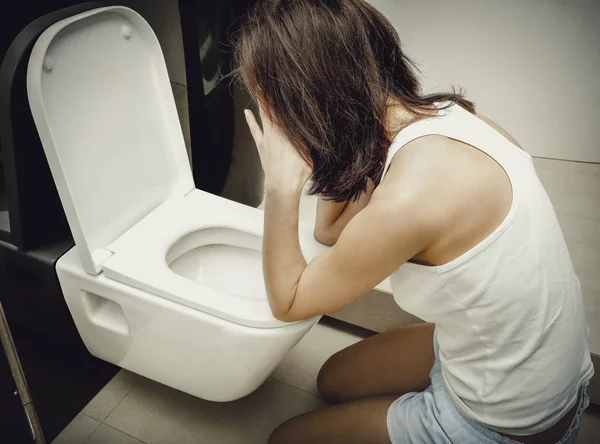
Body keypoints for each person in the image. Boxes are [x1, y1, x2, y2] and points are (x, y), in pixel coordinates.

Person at [233, 1, 594, 443]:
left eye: (273, 109)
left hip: (504, 425)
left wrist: (279, 186)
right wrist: (331, 147)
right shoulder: (443, 115)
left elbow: (287, 302)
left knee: (283, 439)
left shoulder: (408, 200)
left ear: (307, 105)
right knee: (333, 380)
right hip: (521, 364)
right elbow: (330, 232)